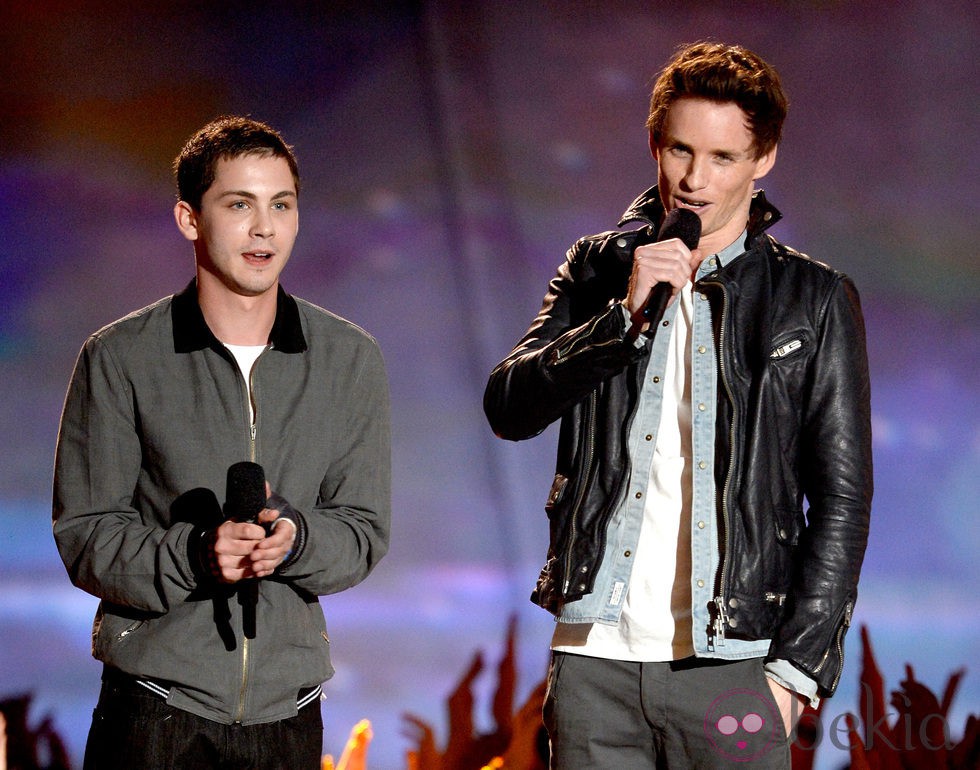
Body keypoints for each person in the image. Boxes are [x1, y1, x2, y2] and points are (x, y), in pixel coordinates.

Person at [484, 41, 872, 768]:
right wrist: (619, 319)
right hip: (596, 660)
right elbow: (509, 407)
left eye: (723, 158)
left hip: (733, 669)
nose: (695, 180)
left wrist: (793, 676)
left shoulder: (812, 299)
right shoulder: (597, 268)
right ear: (654, 144)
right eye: (679, 151)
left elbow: (843, 501)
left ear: (764, 160)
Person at [52, 116, 391, 769]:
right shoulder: (121, 356)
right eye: (240, 204)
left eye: (281, 205)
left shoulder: (351, 359)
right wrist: (197, 555)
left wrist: (297, 538)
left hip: (288, 719)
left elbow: (363, 532)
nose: (265, 227)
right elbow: (86, 535)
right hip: (153, 711)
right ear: (189, 219)